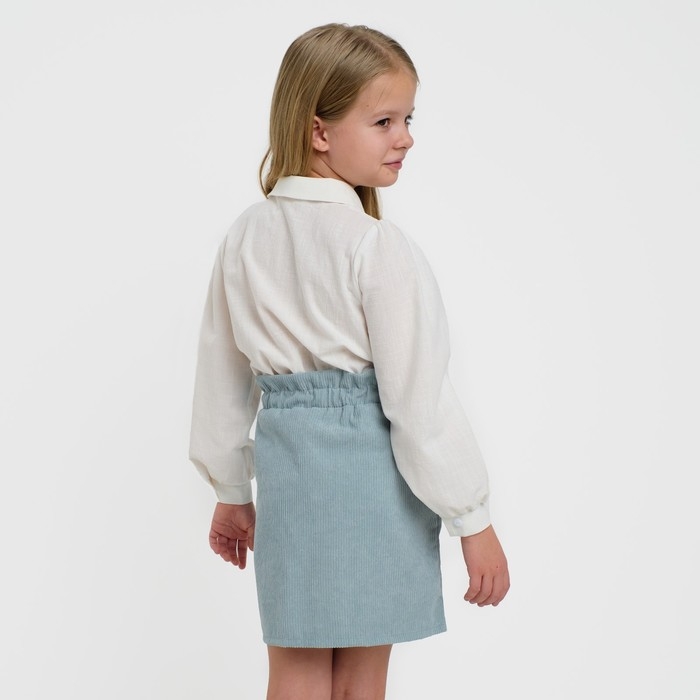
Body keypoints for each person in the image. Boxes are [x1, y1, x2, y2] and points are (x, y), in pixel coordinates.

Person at [189, 22, 510, 700]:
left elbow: (221, 377)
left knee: (295, 671)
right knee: (362, 681)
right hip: (374, 478)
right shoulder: (375, 246)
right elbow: (418, 403)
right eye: (384, 120)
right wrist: (472, 517)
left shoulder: (244, 237)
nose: (406, 137)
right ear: (319, 131)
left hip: (292, 478)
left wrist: (231, 491)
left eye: (408, 119)